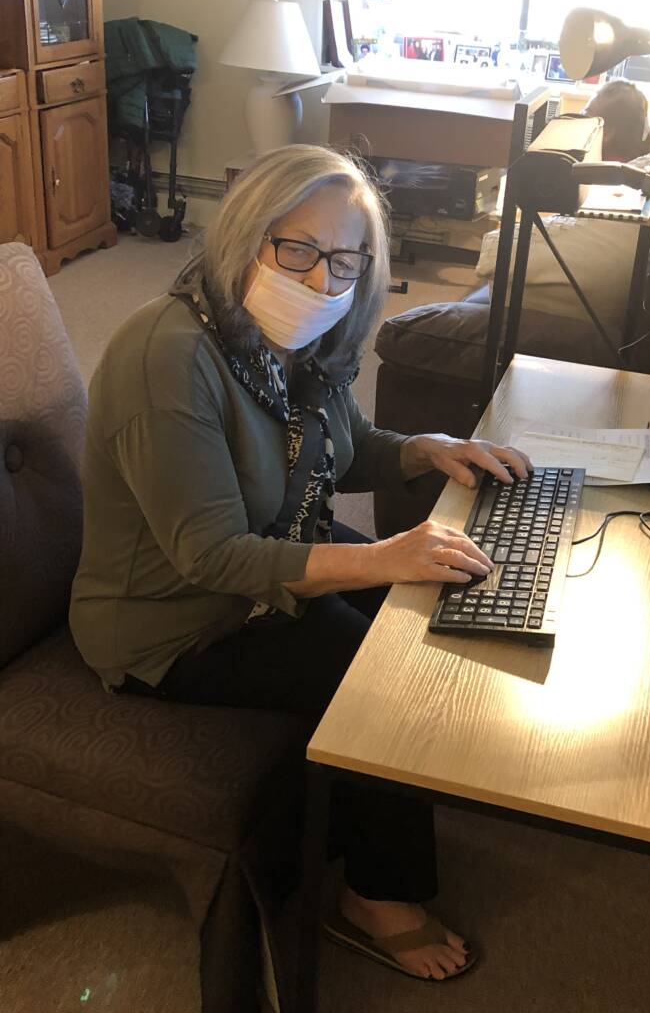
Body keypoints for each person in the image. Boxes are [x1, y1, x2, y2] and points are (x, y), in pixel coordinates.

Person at [69, 145, 531, 985]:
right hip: (176, 620)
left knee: (439, 590)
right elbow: (209, 555)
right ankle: (377, 896)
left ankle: (387, 805)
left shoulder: (289, 344)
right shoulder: (166, 356)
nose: (323, 280)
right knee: (378, 672)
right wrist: (383, 555)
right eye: (300, 249)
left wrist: (425, 452)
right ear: (248, 234)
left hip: (269, 565)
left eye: (347, 259)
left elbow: (339, 455)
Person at [583, 78, 650, 162]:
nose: (578, 117)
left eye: (586, 113)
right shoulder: (632, 168)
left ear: (607, 133)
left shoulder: (599, 172)